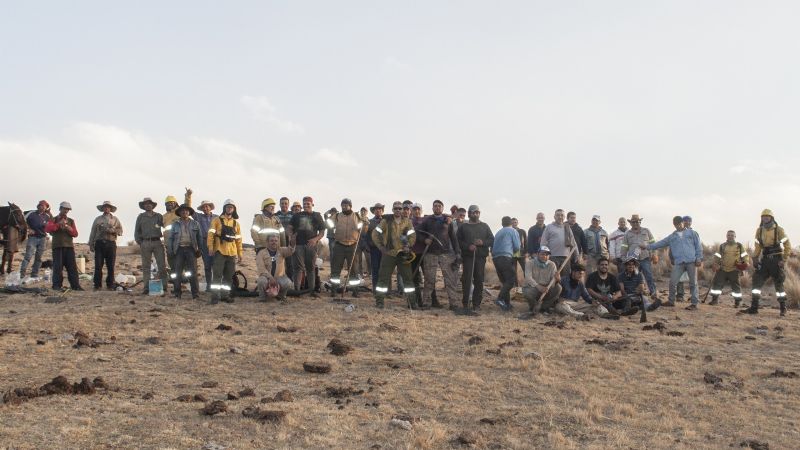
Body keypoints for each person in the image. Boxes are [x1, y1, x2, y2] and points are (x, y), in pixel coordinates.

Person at [744, 209, 791, 316]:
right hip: (764, 261)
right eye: (763, 216)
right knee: (756, 281)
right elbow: (757, 246)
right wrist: (755, 258)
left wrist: (783, 260)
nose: (765, 218)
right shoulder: (759, 230)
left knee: (779, 284)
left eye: (767, 216)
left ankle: (783, 308)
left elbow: (788, 245)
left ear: (771, 218)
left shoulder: (779, 230)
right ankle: (754, 308)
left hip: (776, 260)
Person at [648, 216, 701, 310]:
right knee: (672, 282)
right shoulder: (672, 236)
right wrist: (647, 247)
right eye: (676, 225)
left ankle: (694, 303)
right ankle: (671, 301)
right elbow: (660, 243)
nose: (678, 226)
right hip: (679, 262)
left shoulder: (692, 233)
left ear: (683, 223)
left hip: (691, 261)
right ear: (674, 225)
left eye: (680, 224)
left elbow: (698, 246)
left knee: (693, 283)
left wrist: (699, 258)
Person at [371, 201, 417, 309]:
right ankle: (379, 302)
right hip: (389, 254)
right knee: (383, 279)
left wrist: (408, 245)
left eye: (400, 208)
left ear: (402, 210)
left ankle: (412, 303)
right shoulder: (385, 221)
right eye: (396, 208)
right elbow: (375, 234)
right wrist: (381, 247)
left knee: (408, 280)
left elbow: (412, 236)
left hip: (403, 255)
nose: (398, 210)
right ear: (392, 210)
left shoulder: (407, 222)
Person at [419, 200, 459, 309]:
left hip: (445, 254)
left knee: (450, 280)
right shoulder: (427, 221)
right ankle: (426, 303)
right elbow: (418, 234)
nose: (437, 208)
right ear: (432, 208)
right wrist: (425, 240)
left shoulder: (448, 221)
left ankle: (454, 304)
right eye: (435, 206)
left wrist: (457, 253)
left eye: (439, 206)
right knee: (429, 280)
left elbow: (454, 238)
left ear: (442, 208)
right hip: (430, 254)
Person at [456, 205, 494, 314]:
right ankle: (465, 302)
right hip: (468, 257)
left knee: (479, 280)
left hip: (480, 257)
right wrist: (468, 246)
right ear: (469, 214)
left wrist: (483, 242)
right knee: (467, 280)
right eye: (474, 212)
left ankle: (476, 304)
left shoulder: (485, 226)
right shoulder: (463, 227)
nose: (476, 214)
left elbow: (491, 239)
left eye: (478, 212)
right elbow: (458, 241)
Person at [328, 198, 367, 297]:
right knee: (336, 269)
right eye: (343, 205)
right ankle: (334, 290)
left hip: (353, 245)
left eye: (346, 205)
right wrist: (330, 221)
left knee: (354, 270)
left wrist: (365, 223)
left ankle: (355, 291)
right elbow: (329, 224)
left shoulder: (357, 216)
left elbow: (363, 231)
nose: (344, 206)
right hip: (339, 245)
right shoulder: (337, 216)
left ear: (350, 206)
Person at [207, 199, 243, 303]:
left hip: (232, 253)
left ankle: (225, 295)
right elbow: (210, 235)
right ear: (224, 208)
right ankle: (214, 297)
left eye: (231, 207)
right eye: (228, 207)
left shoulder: (236, 224)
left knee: (228, 276)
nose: (229, 208)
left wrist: (240, 253)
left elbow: (239, 240)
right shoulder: (216, 220)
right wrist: (210, 247)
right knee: (217, 275)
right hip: (219, 252)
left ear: (234, 209)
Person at [288, 196, 325, 296]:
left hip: (311, 245)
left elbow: (322, 232)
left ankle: (311, 291)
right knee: (297, 268)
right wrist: (291, 237)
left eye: (308, 204)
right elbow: (290, 228)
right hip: (298, 244)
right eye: (304, 204)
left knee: (311, 268)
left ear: (312, 204)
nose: (306, 205)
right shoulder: (296, 216)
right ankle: (297, 291)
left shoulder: (317, 216)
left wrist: (315, 239)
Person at [166, 204, 203, 299]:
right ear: (179, 213)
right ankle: (177, 293)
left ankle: (195, 294)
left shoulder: (195, 224)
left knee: (193, 272)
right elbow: (170, 238)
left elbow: (200, 238)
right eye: (182, 211)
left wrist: (200, 250)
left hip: (191, 250)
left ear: (189, 212)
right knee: (177, 273)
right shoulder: (175, 224)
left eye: (187, 211)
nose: (184, 212)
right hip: (179, 250)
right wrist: (170, 250)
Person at [44, 202, 83, 291]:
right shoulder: (53, 219)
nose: (66, 211)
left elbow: (75, 234)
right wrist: (58, 224)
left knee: (72, 267)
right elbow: (48, 229)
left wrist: (70, 229)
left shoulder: (71, 221)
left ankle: (75, 285)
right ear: (60, 209)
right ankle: (57, 286)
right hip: (57, 246)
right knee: (58, 267)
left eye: (67, 209)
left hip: (69, 246)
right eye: (64, 209)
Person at [134, 197, 168, 295]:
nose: (148, 205)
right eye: (146, 204)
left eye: (149, 203)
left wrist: (166, 239)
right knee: (146, 267)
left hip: (157, 242)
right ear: (143, 206)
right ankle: (146, 288)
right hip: (145, 243)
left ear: (153, 205)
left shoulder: (159, 216)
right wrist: (140, 242)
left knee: (162, 266)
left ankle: (164, 286)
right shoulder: (140, 217)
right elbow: (137, 231)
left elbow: (165, 227)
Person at [88, 201, 123, 291]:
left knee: (111, 265)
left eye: (108, 207)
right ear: (102, 208)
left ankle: (110, 284)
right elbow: (93, 232)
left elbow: (121, 231)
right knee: (98, 265)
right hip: (99, 243)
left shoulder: (115, 219)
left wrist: (113, 230)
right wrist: (91, 244)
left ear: (110, 208)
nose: (106, 208)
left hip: (111, 243)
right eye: (105, 207)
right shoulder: (97, 219)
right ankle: (97, 285)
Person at [518, 246, 562, 319]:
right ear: (537, 254)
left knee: (558, 288)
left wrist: (557, 279)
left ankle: (544, 308)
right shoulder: (530, 263)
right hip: (533, 287)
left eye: (546, 254)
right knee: (527, 292)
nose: (544, 256)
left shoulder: (552, 264)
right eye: (542, 254)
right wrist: (538, 286)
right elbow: (528, 278)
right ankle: (533, 307)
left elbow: (553, 281)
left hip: (546, 288)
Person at [620, 214, 657, 298]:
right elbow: (624, 246)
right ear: (630, 223)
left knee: (648, 275)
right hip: (633, 260)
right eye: (633, 222)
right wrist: (623, 257)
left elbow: (653, 243)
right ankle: (636, 294)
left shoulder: (646, 231)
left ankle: (653, 293)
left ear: (640, 222)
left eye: (637, 222)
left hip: (645, 257)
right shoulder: (627, 233)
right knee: (634, 277)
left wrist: (655, 254)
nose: (636, 223)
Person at [709, 230, 749, 307]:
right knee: (717, 284)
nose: (730, 236)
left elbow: (745, 256)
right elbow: (717, 256)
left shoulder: (739, 246)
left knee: (735, 286)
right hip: (722, 269)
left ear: (735, 236)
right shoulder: (722, 246)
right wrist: (715, 264)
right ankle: (714, 300)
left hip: (734, 270)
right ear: (726, 236)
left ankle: (737, 302)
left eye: (732, 235)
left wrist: (746, 262)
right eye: (728, 235)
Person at [162, 188, 192, 284]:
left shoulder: (179, 213)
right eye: (168, 203)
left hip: (180, 243)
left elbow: (187, 205)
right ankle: (175, 280)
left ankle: (187, 280)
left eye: (172, 202)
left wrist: (188, 195)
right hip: (169, 244)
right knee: (172, 264)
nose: (170, 204)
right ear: (166, 205)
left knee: (185, 263)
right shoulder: (164, 216)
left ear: (175, 203)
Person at [492, 216, 521, 311]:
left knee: (505, 282)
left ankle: (507, 304)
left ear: (502, 223)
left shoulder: (498, 232)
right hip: (505, 257)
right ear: (511, 223)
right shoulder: (513, 231)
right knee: (511, 281)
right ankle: (500, 298)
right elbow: (517, 246)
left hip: (495, 258)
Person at [256, 234, 296, 301]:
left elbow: (290, 251)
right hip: (266, 278)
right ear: (267, 242)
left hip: (279, 278)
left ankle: (281, 296)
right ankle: (262, 298)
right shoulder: (261, 253)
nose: (274, 242)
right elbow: (261, 268)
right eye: (271, 241)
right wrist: (270, 278)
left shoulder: (281, 250)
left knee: (288, 282)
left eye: (276, 241)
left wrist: (292, 243)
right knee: (261, 281)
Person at [20, 200, 52, 281]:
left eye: (44, 206)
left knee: (39, 258)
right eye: (41, 205)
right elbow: (22, 221)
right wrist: (28, 229)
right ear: (38, 206)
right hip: (32, 238)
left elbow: (49, 226)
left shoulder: (47, 216)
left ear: (46, 208)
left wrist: (47, 234)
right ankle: (22, 274)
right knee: (28, 256)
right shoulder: (31, 213)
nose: (43, 207)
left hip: (43, 238)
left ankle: (34, 274)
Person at [540, 209, 578, 274]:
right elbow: (543, 242)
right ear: (554, 217)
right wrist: (543, 255)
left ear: (564, 217)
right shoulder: (549, 227)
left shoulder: (567, 227)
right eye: (558, 215)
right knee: (553, 278)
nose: (560, 217)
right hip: (552, 257)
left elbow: (573, 242)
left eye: (562, 215)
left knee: (565, 278)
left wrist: (577, 254)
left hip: (566, 258)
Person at [193, 200, 217, 291]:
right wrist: (188, 196)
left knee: (216, 265)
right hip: (203, 243)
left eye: (207, 206)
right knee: (207, 266)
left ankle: (216, 285)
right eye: (203, 207)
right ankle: (209, 285)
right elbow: (188, 208)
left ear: (210, 207)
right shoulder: (198, 217)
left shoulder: (217, 217)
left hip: (215, 243)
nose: (205, 208)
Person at [366, 203, 386, 292]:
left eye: (380, 209)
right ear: (373, 211)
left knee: (385, 270)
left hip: (385, 250)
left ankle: (385, 290)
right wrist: (367, 246)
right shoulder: (369, 222)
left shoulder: (386, 221)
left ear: (382, 211)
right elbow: (365, 236)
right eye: (376, 209)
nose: (378, 210)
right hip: (374, 249)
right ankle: (375, 289)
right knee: (375, 269)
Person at [511, 218, 527, 288]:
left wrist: (526, 252)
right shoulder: (509, 231)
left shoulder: (522, 231)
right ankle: (515, 287)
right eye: (513, 223)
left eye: (515, 222)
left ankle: (527, 285)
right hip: (512, 254)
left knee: (526, 269)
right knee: (513, 271)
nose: (514, 224)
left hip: (522, 254)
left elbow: (526, 242)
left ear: (517, 223)